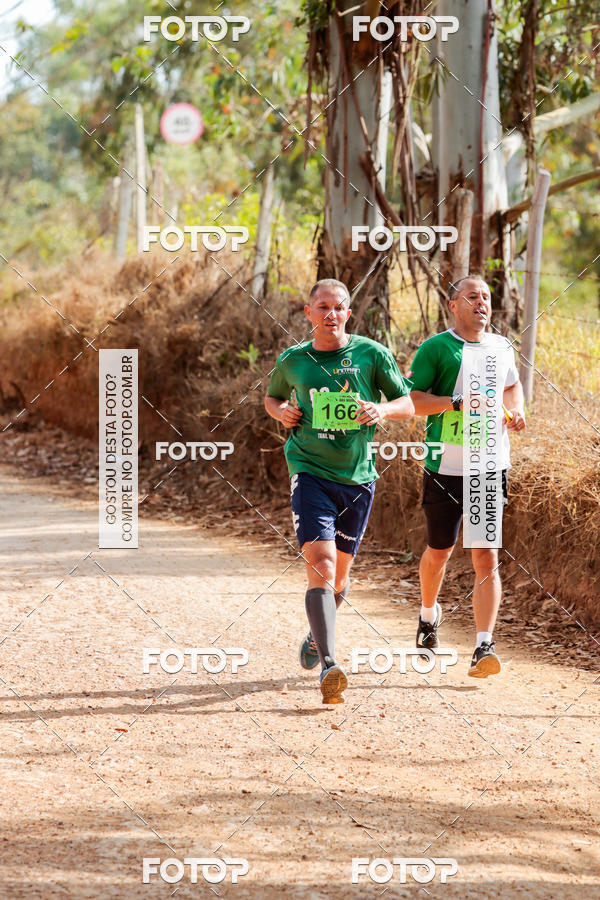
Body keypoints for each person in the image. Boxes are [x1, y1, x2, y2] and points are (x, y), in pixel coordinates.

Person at [265, 278, 414, 703]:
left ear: (349, 313)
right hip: (309, 470)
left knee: (340, 577)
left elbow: (407, 404)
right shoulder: (293, 360)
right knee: (323, 565)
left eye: (339, 307)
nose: (331, 314)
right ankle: (330, 664)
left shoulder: (371, 354)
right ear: (308, 313)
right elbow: (272, 398)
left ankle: (317, 636)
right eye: (323, 307)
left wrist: (380, 409)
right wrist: (283, 412)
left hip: (358, 478)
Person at [408, 275, 526, 677]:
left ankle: (483, 646)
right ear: (453, 305)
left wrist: (517, 411)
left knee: (485, 555)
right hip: (445, 466)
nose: (481, 303)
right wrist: (455, 403)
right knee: (439, 552)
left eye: (486, 297)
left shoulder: (501, 347)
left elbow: (513, 387)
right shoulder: (436, 348)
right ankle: (428, 616)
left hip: (489, 465)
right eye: (472, 296)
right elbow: (414, 401)